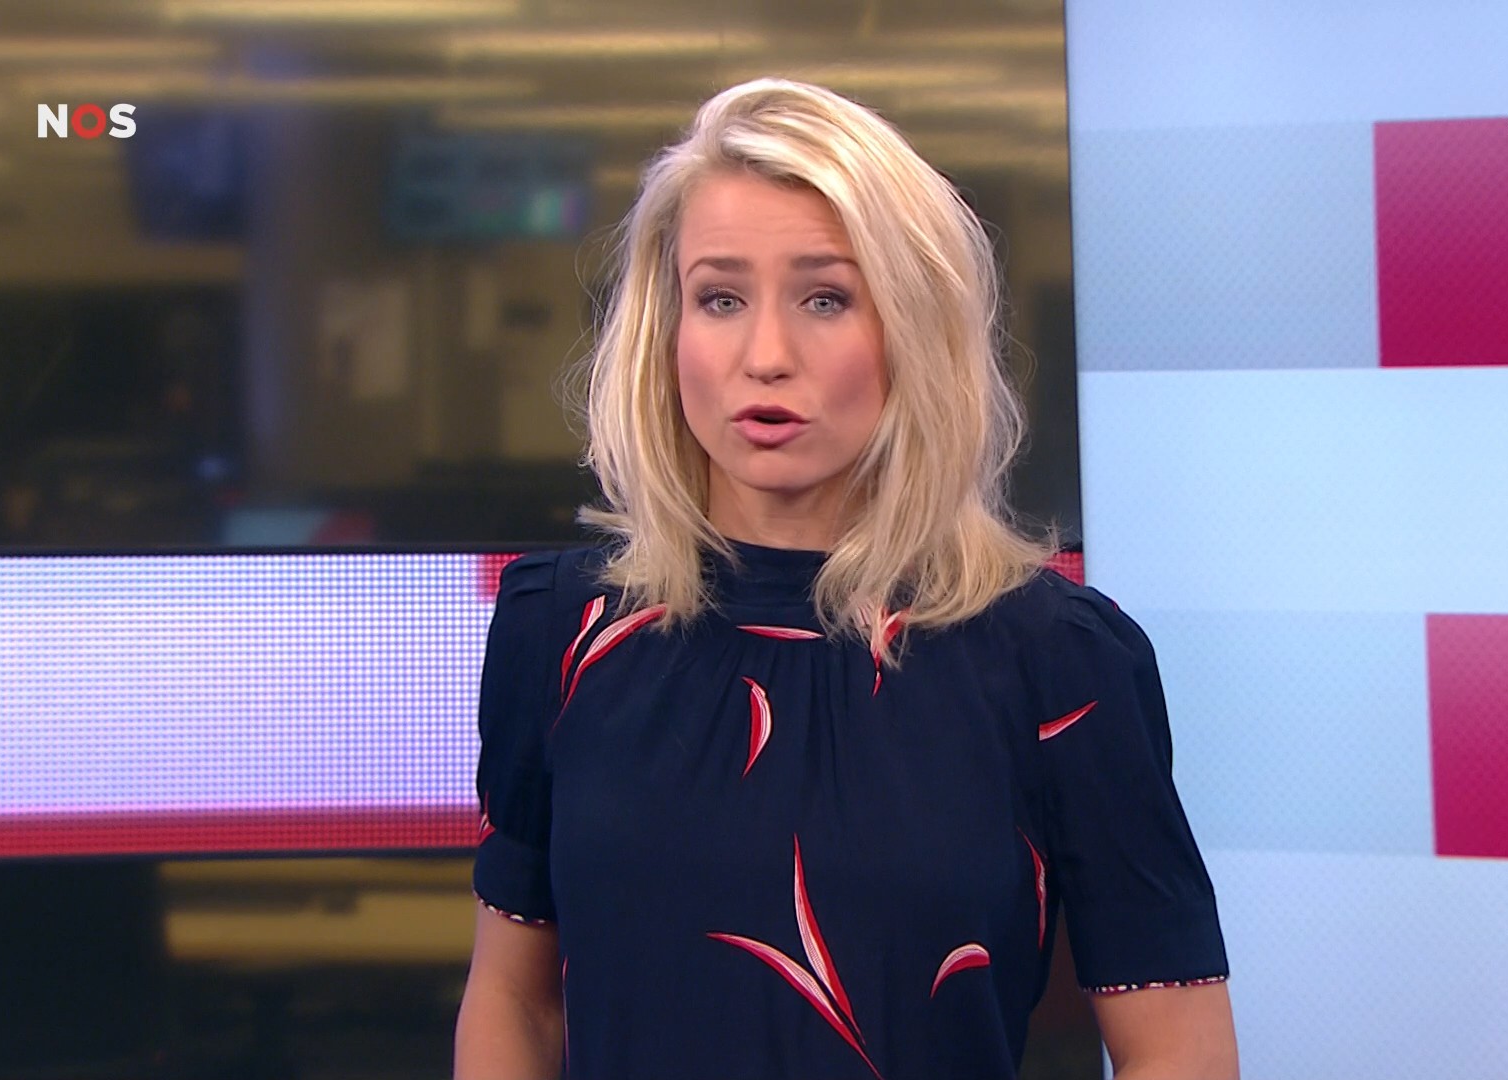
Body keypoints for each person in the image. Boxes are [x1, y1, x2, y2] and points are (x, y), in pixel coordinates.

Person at [455, 77, 1236, 1080]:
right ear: (666, 329)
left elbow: (1176, 1047)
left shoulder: (1057, 663)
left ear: (912, 328)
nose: (766, 355)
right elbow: (514, 1000)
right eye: (721, 299)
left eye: (825, 298)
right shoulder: (559, 631)